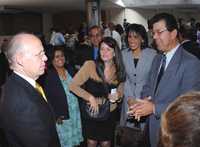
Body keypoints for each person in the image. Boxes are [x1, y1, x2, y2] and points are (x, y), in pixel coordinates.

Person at [128, 13, 200, 147]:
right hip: (152, 129)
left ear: (173, 33)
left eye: (159, 32)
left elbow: (188, 107)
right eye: (153, 33)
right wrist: (142, 102)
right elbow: (149, 86)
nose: (154, 37)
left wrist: (154, 108)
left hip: (173, 133)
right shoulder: (158, 59)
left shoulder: (191, 63)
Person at [0, 33, 61, 147]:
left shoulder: (18, 83)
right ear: (20, 60)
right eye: (39, 54)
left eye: (44, 53)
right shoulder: (22, 103)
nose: (46, 58)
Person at [69, 37, 126, 147]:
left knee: (106, 143)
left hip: (109, 112)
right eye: (102, 49)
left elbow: (121, 88)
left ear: (115, 53)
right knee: (91, 142)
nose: (104, 52)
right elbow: (72, 86)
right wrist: (90, 97)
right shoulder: (90, 65)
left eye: (108, 49)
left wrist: (118, 96)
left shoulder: (119, 69)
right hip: (91, 111)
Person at [42, 46, 83, 147]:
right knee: (65, 141)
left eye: (62, 56)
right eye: (57, 57)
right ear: (52, 60)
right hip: (62, 114)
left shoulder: (70, 70)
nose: (60, 58)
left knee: (75, 139)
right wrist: (55, 116)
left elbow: (80, 87)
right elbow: (47, 98)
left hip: (75, 111)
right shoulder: (49, 75)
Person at [120, 23, 157, 129]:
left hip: (146, 100)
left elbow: (153, 79)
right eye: (129, 37)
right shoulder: (123, 54)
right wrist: (130, 98)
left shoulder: (153, 54)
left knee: (145, 135)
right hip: (128, 99)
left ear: (142, 39)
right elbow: (123, 78)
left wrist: (145, 98)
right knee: (128, 134)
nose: (132, 40)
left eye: (136, 37)